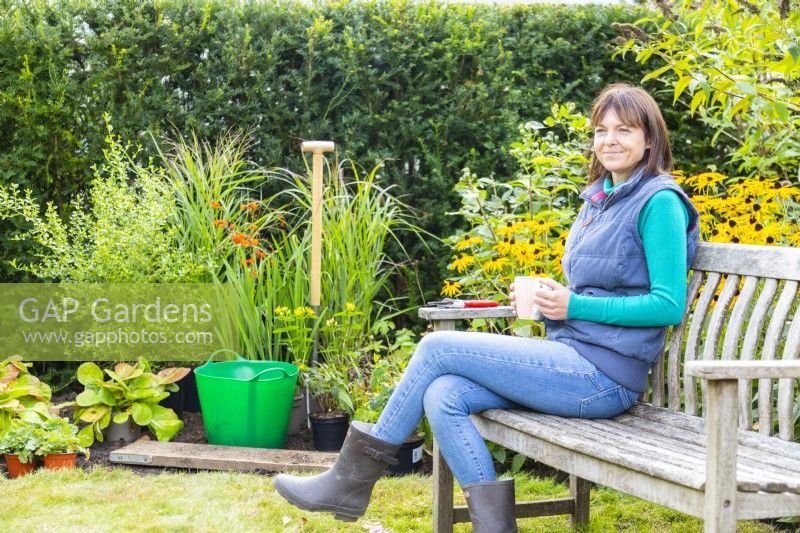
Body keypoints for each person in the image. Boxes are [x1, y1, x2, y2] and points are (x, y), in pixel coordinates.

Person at [273, 83, 700, 532]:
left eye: (624, 130)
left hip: (604, 378)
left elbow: (667, 305)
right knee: (444, 394)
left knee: (437, 349)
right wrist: (546, 298)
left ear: (649, 139)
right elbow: (600, 286)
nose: (610, 140)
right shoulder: (600, 199)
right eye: (601, 130)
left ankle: (349, 483)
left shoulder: (659, 202)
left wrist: (572, 305)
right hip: (574, 359)